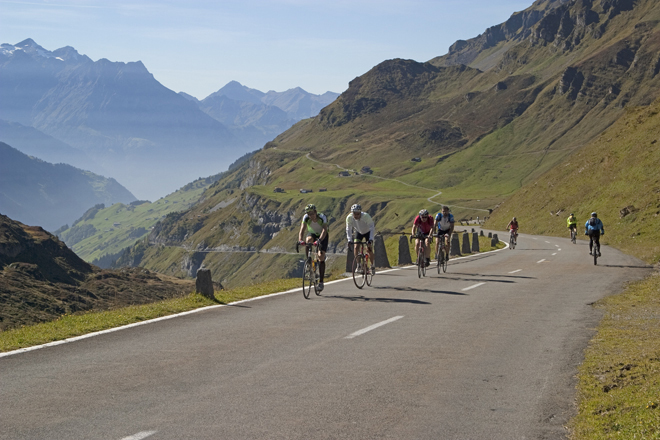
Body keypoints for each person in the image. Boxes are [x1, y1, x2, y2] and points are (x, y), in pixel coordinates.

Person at [298, 204, 329, 292]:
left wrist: (319, 240)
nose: (310, 216)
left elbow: (324, 230)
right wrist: (300, 239)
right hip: (312, 233)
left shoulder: (322, 217)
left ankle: (321, 282)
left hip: (322, 235)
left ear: (315, 212)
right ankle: (308, 261)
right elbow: (302, 229)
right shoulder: (306, 218)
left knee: (321, 257)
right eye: (308, 214)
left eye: (311, 213)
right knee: (308, 241)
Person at [346, 204, 376, 274]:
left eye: (358, 214)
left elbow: (372, 227)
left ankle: (372, 265)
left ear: (360, 213)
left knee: (369, 249)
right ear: (352, 213)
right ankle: (358, 264)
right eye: (354, 214)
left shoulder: (366, 216)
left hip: (368, 232)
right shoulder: (349, 218)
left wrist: (371, 239)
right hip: (358, 232)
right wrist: (349, 240)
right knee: (356, 247)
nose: (356, 216)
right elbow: (348, 229)